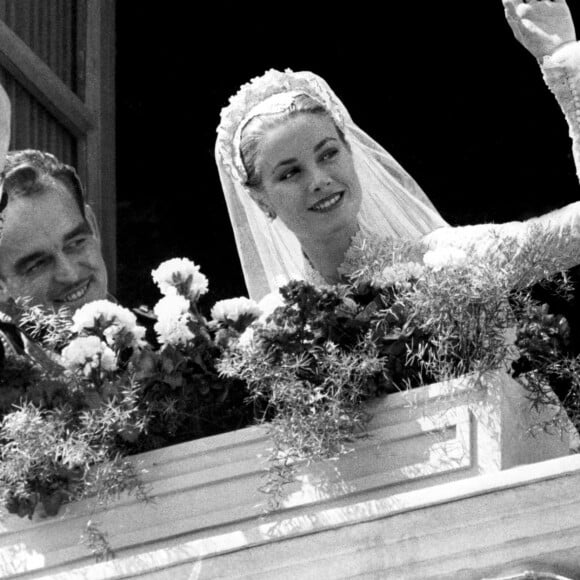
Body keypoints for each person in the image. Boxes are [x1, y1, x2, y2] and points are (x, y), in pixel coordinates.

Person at [215, 0, 580, 301]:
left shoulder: (444, 261)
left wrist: (566, 63)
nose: (319, 180)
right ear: (260, 199)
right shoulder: (275, 331)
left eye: (328, 154)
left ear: (350, 151)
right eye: (290, 172)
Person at [0, 149, 108, 313]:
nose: (70, 274)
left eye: (75, 243)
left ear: (93, 226)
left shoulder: (156, 333)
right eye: (37, 265)